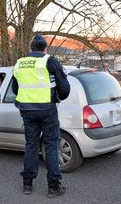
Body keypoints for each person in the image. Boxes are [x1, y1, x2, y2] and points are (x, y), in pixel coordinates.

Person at [12, 34, 70, 197]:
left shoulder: (20, 63)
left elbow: (15, 89)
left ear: (31, 49)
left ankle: (27, 184)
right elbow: (65, 89)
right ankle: (53, 187)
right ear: (45, 49)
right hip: (47, 109)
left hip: (27, 110)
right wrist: (56, 95)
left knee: (31, 145)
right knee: (51, 145)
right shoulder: (49, 61)